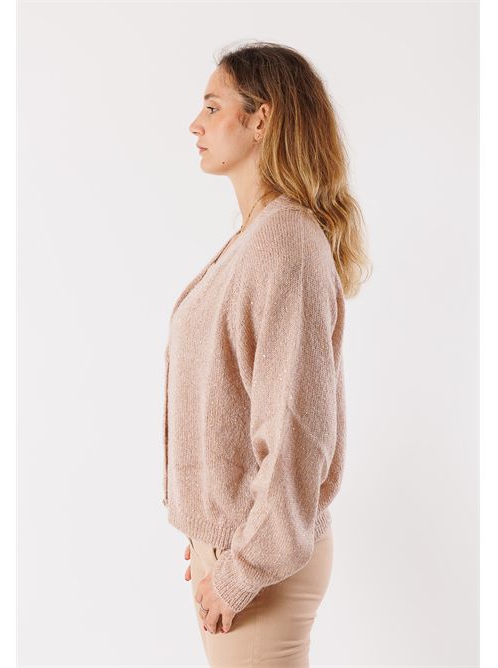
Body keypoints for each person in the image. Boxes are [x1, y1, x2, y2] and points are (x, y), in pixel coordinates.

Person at [161, 41, 371, 667]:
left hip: (262, 571)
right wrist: (211, 529)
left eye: (212, 106)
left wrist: (241, 567)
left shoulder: (286, 246)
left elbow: (297, 435)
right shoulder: (260, 237)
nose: (195, 124)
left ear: (261, 119)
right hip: (243, 551)